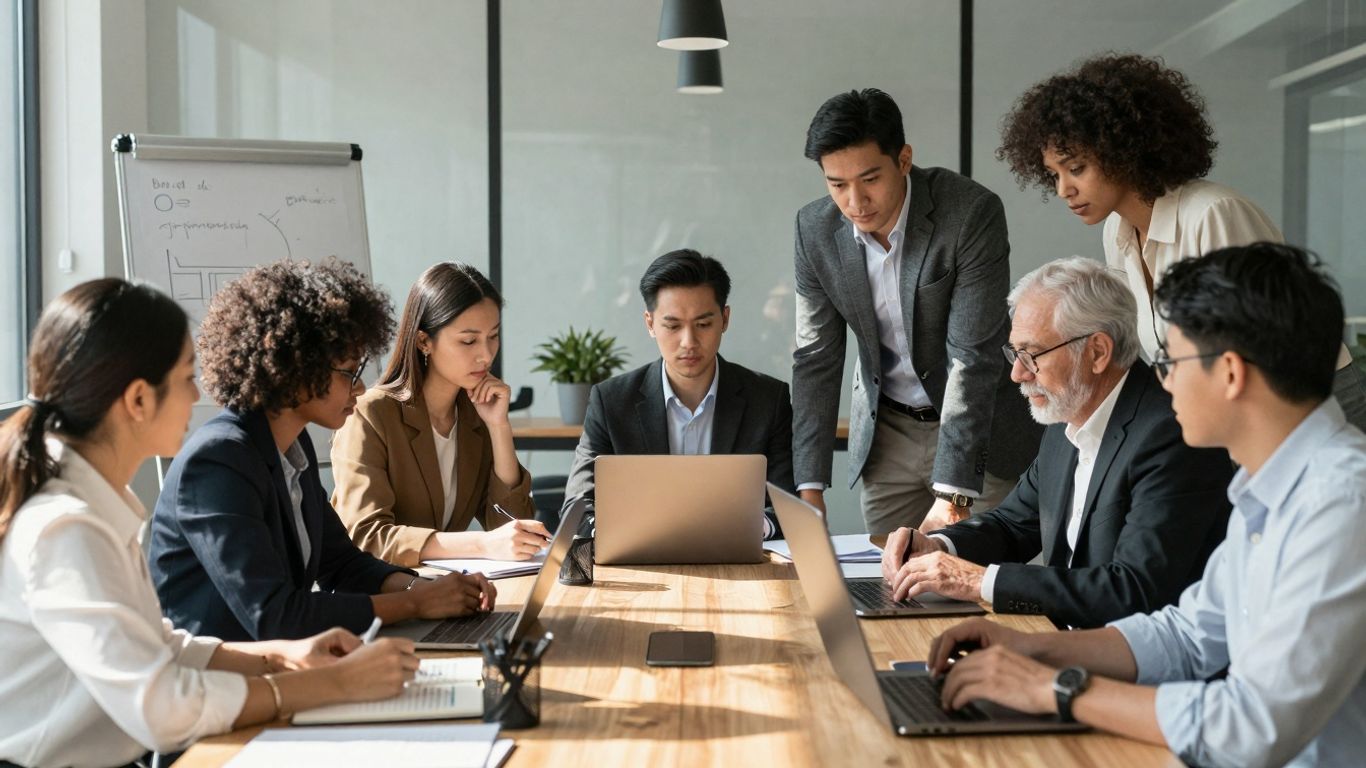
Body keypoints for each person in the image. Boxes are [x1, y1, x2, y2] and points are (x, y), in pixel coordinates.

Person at [926, 243, 1366, 768]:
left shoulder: (1341, 503)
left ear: (1230, 373)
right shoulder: (1267, 482)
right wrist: (1031, 650)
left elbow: (1250, 727)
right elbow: (1187, 635)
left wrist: (1057, 688)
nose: (1162, 379)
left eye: (1171, 360)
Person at [0, 279, 419, 768]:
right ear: (138, 401)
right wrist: (328, 684)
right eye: (185, 378)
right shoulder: (65, 530)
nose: (198, 393)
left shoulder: (89, 508)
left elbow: (159, 642)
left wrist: (279, 657)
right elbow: (163, 710)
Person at [997, 52, 1366, 429]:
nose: (1063, 190)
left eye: (1076, 169)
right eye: (1053, 174)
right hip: (1223, 416)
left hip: (1306, 405)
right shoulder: (1118, 231)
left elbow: (1256, 352)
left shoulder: (1213, 214)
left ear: (1124, 149)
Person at [149, 259, 496, 642]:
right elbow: (275, 614)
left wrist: (426, 590)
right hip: (220, 685)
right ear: (294, 370)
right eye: (348, 372)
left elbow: (342, 564)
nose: (360, 387)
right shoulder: (218, 462)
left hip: (280, 667)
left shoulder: (290, 448)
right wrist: (415, 604)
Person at [879, 258, 1232, 628]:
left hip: (1139, 664)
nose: (1017, 374)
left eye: (1031, 355)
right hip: (1071, 641)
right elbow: (1015, 525)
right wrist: (939, 546)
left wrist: (976, 581)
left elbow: (1133, 589)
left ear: (1097, 352)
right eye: (1014, 354)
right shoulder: (1068, 414)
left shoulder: (1170, 435)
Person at [792, 87, 1042, 535]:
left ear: (904, 159)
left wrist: (953, 493)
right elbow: (815, 358)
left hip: (979, 433)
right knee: (884, 584)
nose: (854, 201)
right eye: (837, 184)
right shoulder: (814, 229)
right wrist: (810, 491)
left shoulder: (969, 213)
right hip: (888, 433)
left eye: (870, 179)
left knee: (974, 580)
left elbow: (973, 355)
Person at [565, 249, 794, 538]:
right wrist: (622, 530)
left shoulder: (767, 399)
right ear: (650, 324)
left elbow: (788, 507)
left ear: (724, 319)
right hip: (641, 565)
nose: (689, 342)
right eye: (672, 326)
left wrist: (746, 526)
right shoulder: (611, 401)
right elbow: (577, 506)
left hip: (738, 564)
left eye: (703, 324)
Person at [331, 262, 546, 567]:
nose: (485, 354)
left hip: (444, 591)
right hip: (381, 595)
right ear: (423, 341)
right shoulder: (370, 414)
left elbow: (513, 530)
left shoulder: (475, 415)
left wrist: (499, 427)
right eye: (468, 341)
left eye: (493, 336)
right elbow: (368, 536)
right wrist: (480, 544)